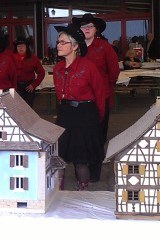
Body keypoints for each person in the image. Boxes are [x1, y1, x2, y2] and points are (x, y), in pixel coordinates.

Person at [53, 23, 106, 191]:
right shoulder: (57, 68)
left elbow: (100, 94)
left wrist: (97, 119)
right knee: (59, 158)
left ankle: (83, 193)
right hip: (65, 114)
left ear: (75, 46)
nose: (58, 45)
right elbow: (59, 95)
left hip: (85, 115)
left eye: (62, 42)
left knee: (81, 160)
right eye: (58, 42)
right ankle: (57, 192)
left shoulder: (88, 67)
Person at [72, 13, 120, 183]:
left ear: (96, 29)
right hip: (79, 99)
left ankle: (94, 171)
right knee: (81, 134)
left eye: (90, 26)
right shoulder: (74, 47)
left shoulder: (104, 47)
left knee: (98, 135)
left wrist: (104, 87)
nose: (87, 29)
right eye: (84, 26)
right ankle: (81, 167)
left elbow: (114, 71)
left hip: (101, 98)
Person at [13, 36, 45, 107]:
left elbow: (41, 72)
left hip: (29, 87)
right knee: (17, 108)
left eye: (23, 46)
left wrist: (34, 85)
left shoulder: (33, 59)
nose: (21, 48)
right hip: (16, 86)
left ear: (26, 47)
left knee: (29, 108)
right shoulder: (11, 58)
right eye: (18, 46)